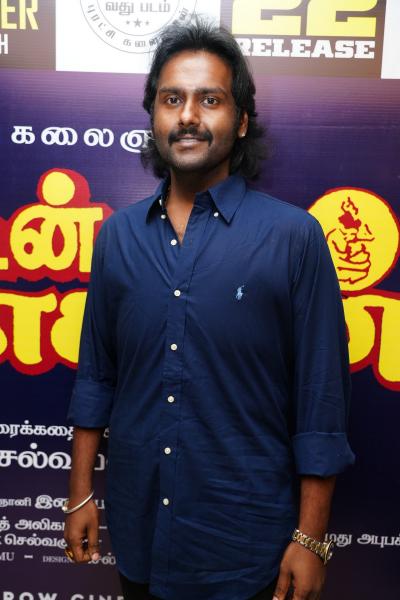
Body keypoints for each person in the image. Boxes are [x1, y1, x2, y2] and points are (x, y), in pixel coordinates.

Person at [63, 18, 354, 600]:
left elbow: (320, 399)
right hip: (141, 536)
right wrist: (80, 494)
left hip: (247, 548)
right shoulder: (118, 237)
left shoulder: (294, 238)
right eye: (172, 99)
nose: (189, 116)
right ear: (154, 115)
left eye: (210, 100)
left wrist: (311, 537)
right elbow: (97, 375)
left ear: (240, 120)